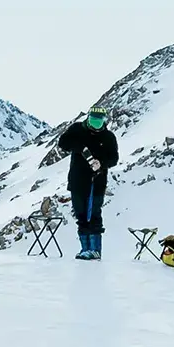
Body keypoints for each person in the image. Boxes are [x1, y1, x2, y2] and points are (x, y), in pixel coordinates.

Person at [57, 107, 119, 260]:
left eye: (100, 119)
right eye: (93, 118)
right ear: (89, 117)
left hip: (97, 183)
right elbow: (63, 143)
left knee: (94, 214)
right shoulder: (77, 129)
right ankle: (85, 249)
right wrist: (78, 146)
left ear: (104, 120)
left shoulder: (108, 137)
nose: (96, 122)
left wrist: (102, 163)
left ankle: (95, 250)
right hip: (77, 181)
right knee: (81, 215)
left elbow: (114, 159)